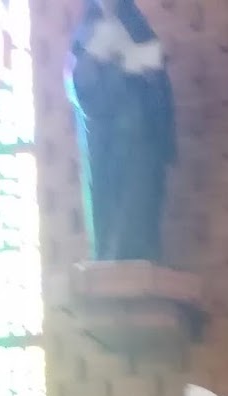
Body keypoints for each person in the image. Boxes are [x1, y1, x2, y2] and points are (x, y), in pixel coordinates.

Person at [66, 0, 176, 262]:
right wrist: (118, 70)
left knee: (142, 194)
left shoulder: (138, 29)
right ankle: (111, 252)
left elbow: (158, 82)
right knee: (110, 199)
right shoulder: (86, 34)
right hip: (106, 139)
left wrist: (147, 70)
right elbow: (78, 85)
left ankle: (141, 250)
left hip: (141, 137)